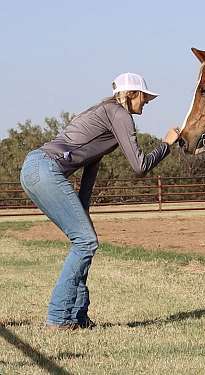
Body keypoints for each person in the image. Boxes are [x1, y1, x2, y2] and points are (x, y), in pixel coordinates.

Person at [20, 73, 180, 330]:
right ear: (131, 95)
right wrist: (166, 144)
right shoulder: (120, 115)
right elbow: (140, 166)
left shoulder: (105, 113)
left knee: (83, 240)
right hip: (46, 170)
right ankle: (59, 318)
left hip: (33, 168)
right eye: (144, 97)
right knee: (85, 241)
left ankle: (78, 317)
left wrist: (83, 208)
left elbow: (89, 164)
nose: (147, 102)